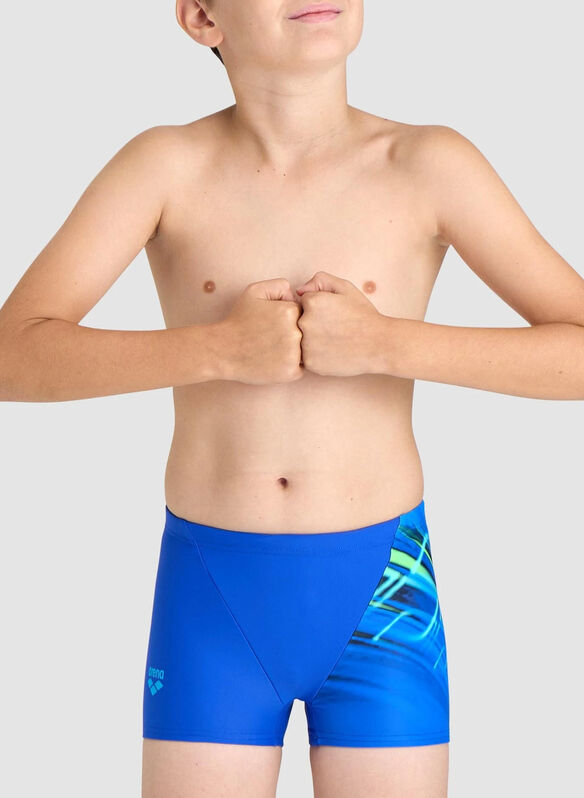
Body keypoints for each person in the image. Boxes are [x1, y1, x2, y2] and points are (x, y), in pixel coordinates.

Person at [1, 1, 584, 796]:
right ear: (202, 17)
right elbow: (13, 354)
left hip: (384, 590)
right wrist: (216, 350)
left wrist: (387, 343)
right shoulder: (165, 167)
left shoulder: (427, 165)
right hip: (213, 592)